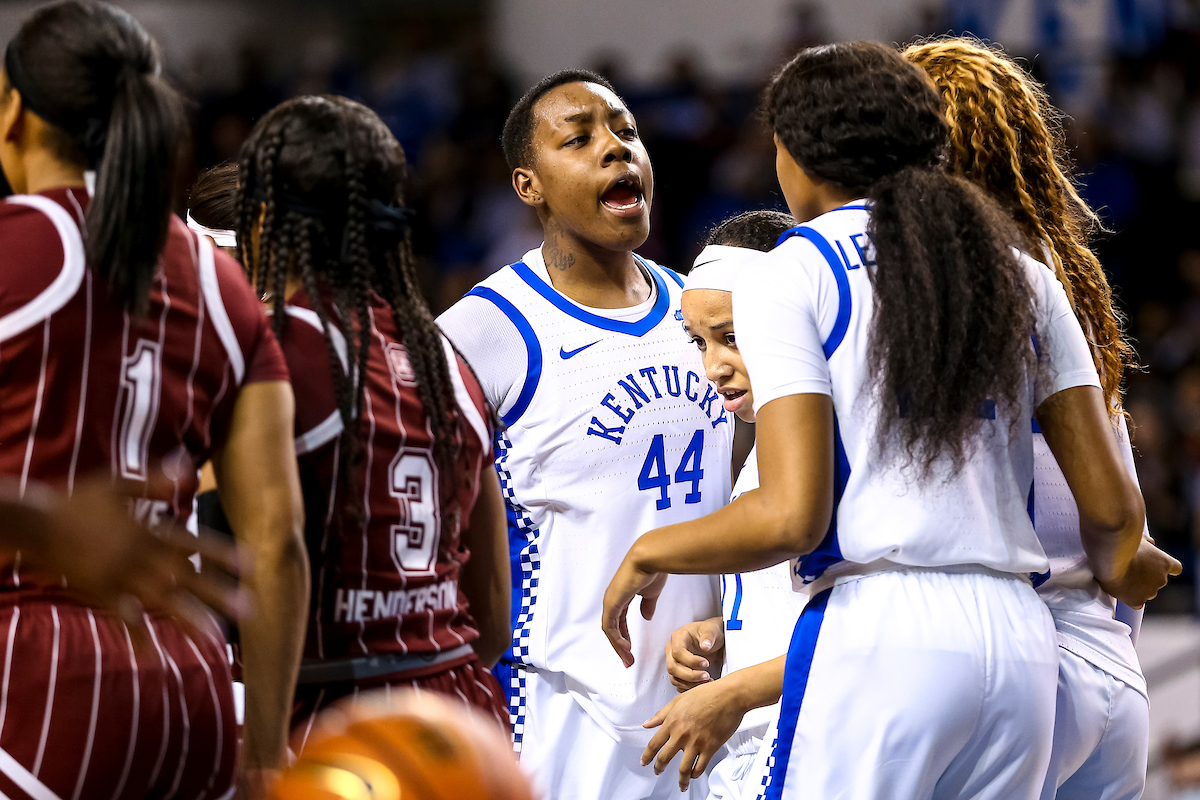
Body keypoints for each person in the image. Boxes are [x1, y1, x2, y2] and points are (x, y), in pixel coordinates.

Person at [602, 41, 1172, 800]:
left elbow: (792, 517)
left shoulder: (794, 270)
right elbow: (1112, 512)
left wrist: (650, 550)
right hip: (1024, 646)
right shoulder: (1025, 273)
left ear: (795, 156)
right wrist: (1120, 563)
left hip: (886, 631)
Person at [0, 2, 309, 799]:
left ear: (13, 113)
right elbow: (276, 542)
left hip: (29, 684)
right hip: (192, 689)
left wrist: (37, 521)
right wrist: (267, 749)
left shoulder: (18, 245)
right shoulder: (223, 279)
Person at [437, 69, 732, 800]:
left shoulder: (698, 312)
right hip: (563, 711)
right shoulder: (486, 328)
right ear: (528, 186)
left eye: (627, 132)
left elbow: (749, 498)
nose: (615, 150)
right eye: (580, 138)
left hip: (710, 698)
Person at [903, 36, 1168, 800]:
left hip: (1008, 647)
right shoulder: (1063, 275)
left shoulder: (938, 287)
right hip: (1104, 655)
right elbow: (1117, 515)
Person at [232, 95, 512, 743]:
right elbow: (494, 614)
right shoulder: (445, 358)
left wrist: (262, 751)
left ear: (263, 218)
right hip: (460, 714)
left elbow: (272, 548)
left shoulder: (272, 346)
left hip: (333, 714)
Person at [639, 210, 804, 798]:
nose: (713, 366)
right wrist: (725, 630)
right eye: (699, 342)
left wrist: (733, 692)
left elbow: (871, 629)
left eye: (731, 337)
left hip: (811, 740)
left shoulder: (837, 443)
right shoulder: (772, 440)